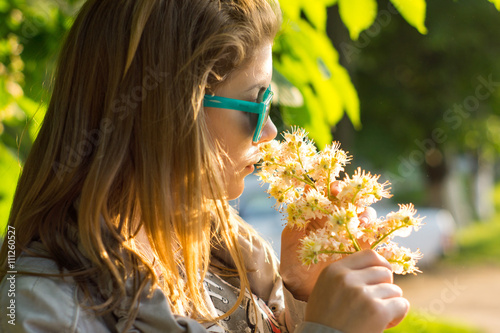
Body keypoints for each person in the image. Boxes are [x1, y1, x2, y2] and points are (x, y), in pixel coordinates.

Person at [0, 0, 409, 332]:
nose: (269, 131)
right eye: (256, 101)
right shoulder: (43, 311)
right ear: (174, 112)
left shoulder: (231, 251)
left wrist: (304, 294)